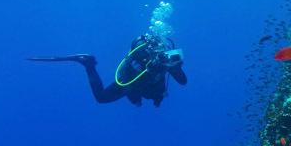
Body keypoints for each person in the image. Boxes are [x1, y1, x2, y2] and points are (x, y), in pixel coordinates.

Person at [28, 34, 187, 106]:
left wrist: (175, 67)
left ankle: (89, 64)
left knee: (127, 95)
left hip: (133, 83)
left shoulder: (165, 64)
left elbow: (182, 81)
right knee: (102, 98)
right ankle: (89, 65)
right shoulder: (156, 69)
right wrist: (173, 69)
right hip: (130, 82)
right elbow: (183, 81)